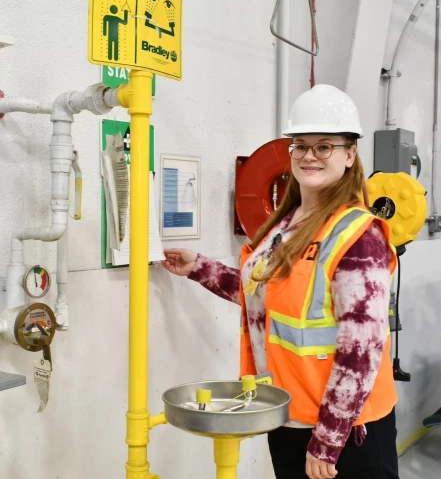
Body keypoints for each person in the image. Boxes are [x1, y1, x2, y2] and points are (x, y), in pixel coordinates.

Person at [162, 84, 399, 479]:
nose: (310, 156)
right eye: (300, 146)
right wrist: (198, 267)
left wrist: (327, 440)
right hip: (289, 415)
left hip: (346, 434)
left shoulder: (359, 236)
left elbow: (362, 349)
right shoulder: (286, 226)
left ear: (349, 154)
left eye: (325, 147)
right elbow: (266, 298)